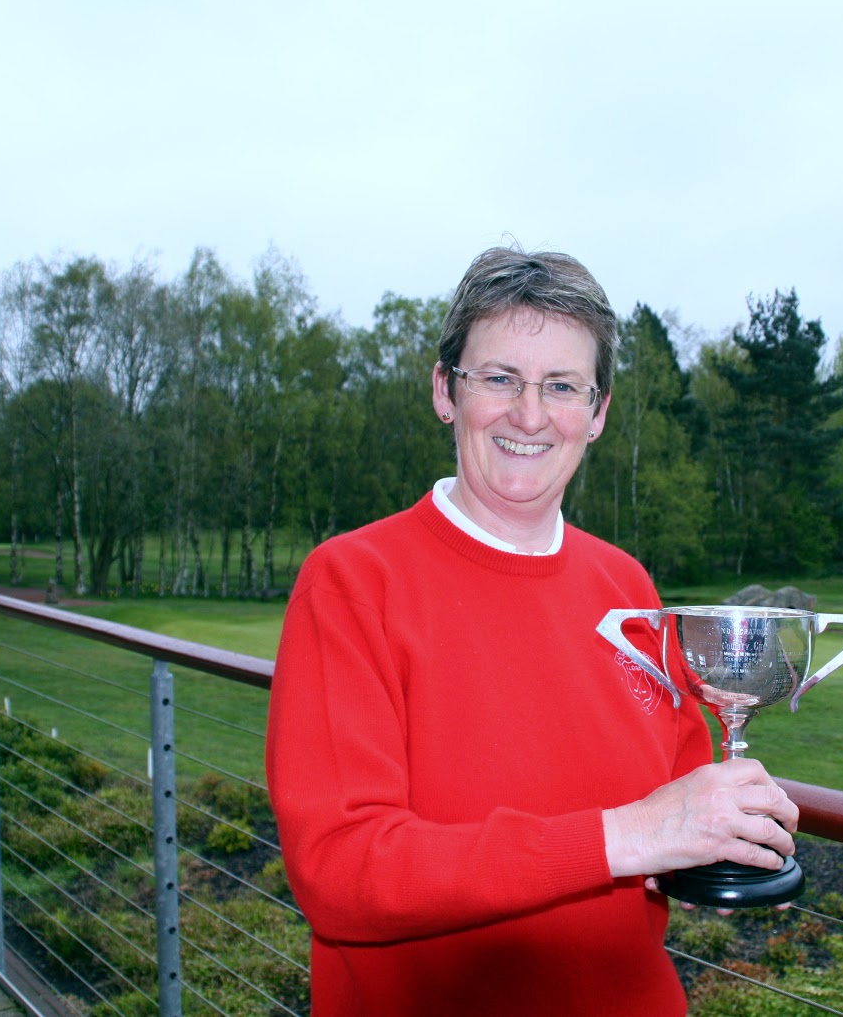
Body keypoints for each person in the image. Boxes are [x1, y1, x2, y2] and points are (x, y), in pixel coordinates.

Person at [265, 246, 800, 1016]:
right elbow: (342, 872)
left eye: (560, 386)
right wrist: (630, 837)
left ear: (599, 411)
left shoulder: (627, 587)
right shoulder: (354, 582)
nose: (529, 414)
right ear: (445, 390)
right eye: (500, 378)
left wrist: (728, 829)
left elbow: (671, 803)